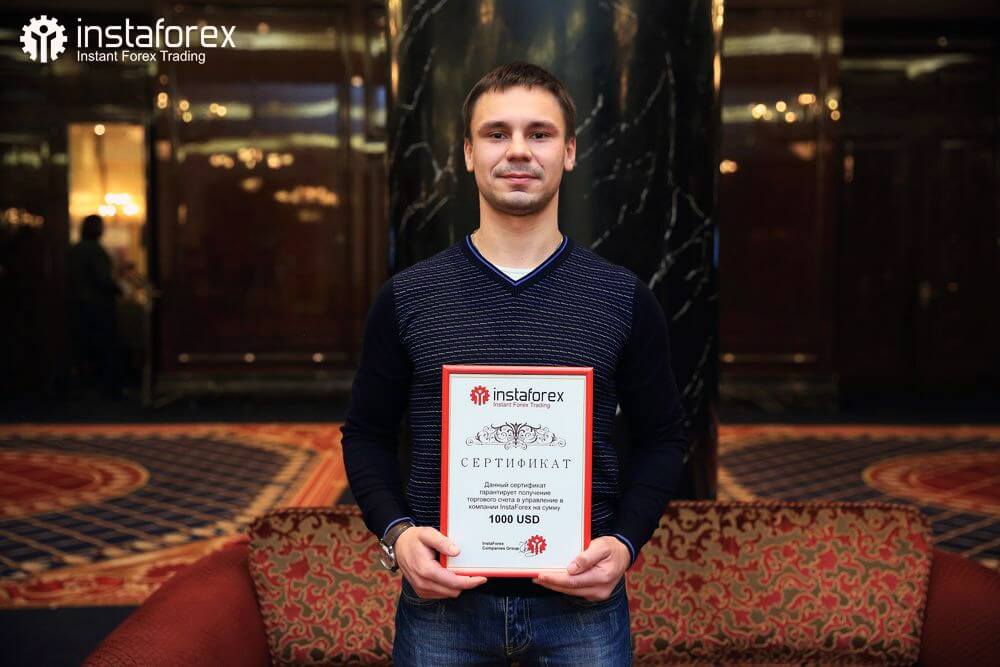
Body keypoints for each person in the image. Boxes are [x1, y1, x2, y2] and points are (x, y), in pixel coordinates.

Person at [340, 61, 689, 665]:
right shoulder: (408, 297)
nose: (519, 150)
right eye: (497, 133)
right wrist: (397, 534)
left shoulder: (623, 298)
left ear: (569, 152)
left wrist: (626, 543)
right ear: (468, 153)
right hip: (442, 612)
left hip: (583, 612)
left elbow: (663, 439)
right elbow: (366, 434)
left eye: (540, 133)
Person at [67, 214, 123, 397]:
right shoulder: (95, 250)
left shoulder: (75, 250)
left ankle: (86, 386)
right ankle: (106, 389)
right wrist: (119, 290)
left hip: (78, 306)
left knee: (84, 347)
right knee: (105, 347)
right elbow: (103, 279)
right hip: (98, 306)